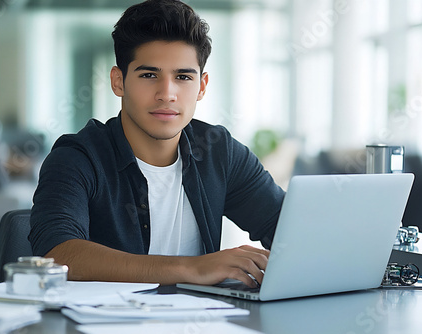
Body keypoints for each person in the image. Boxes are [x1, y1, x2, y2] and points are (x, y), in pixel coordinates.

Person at [29, 0, 285, 288]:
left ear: (201, 86)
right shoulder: (77, 158)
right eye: (149, 75)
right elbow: (57, 255)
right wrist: (193, 269)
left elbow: (289, 228)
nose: (167, 93)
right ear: (118, 82)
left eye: (183, 77)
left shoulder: (219, 151)